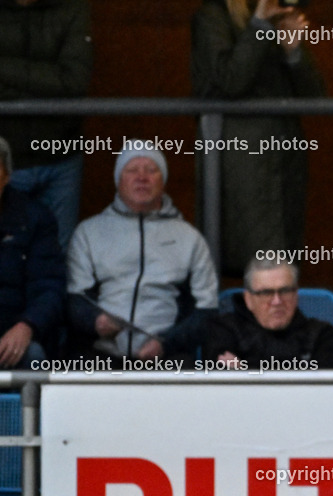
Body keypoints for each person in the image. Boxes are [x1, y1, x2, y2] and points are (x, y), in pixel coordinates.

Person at [191, 0, 326, 276]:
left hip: (284, 156)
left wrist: (294, 52)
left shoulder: (274, 17)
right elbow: (230, 80)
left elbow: (315, 98)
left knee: (282, 261)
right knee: (249, 258)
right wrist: (260, 26)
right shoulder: (213, 17)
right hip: (240, 155)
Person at [66, 141, 219, 364]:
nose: (142, 177)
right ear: (119, 181)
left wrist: (166, 343)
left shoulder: (190, 238)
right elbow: (74, 298)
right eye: (132, 170)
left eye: (151, 170)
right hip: (99, 354)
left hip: (167, 356)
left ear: (163, 181)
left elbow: (206, 310)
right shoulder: (88, 232)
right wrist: (96, 322)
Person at [0, 0, 92, 252]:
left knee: (57, 257)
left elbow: (74, 82)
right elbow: (61, 82)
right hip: (5, 155)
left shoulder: (72, 7)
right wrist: (47, 85)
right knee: (5, 261)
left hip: (61, 155)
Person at [204, 256, 333, 369]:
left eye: (285, 291)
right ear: (248, 299)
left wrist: (244, 370)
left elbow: (324, 393)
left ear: (296, 295)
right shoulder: (224, 330)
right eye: (266, 293)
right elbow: (222, 391)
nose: (277, 301)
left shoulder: (322, 334)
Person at [0, 137, 64, 369]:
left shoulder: (35, 219)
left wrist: (27, 326)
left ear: (7, 177)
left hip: (11, 336)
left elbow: (49, 286)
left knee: (34, 355)